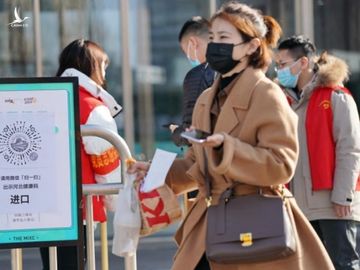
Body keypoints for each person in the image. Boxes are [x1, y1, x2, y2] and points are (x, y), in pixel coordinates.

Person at [129, 2, 334, 270]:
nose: (215, 46)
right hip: (211, 221)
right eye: (212, 37)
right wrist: (157, 171)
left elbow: (282, 165)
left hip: (256, 226)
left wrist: (229, 149)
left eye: (225, 38)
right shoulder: (206, 98)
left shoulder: (267, 93)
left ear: (252, 46)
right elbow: (196, 161)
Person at [275, 35, 360, 270]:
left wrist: (344, 195)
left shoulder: (336, 96)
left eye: (282, 64)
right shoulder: (285, 102)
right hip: (299, 207)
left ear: (303, 63)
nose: (278, 70)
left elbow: (350, 149)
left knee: (343, 265)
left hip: (334, 205)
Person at [40, 39, 122, 270]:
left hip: (43, 202)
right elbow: (106, 162)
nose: (105, 72)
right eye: (103, 65)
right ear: (92, 66)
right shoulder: (91, 106)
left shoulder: (47, 98)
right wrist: (115, 198)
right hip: (79, 208)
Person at [170, 16, 215, 147]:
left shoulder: (199, 75)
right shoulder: (231, 70)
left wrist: (176, 132)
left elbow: (192, 134)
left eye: (186, 51)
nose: (188, 57)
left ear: (192, 43)